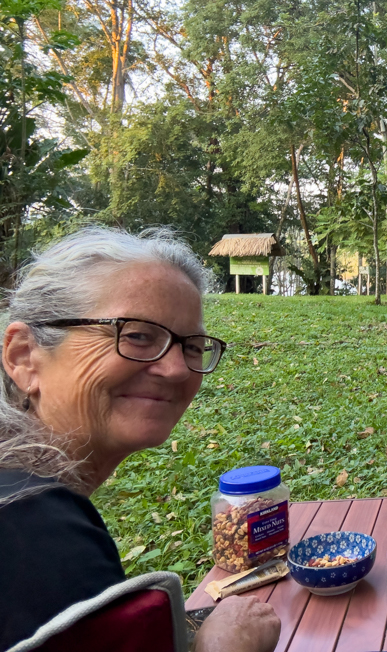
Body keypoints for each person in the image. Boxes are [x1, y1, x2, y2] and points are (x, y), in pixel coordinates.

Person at [0, 227, 281, 651]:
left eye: (191, 345)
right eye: (136, 335)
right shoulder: (30, 525)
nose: (178, 371)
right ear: (24, 357)